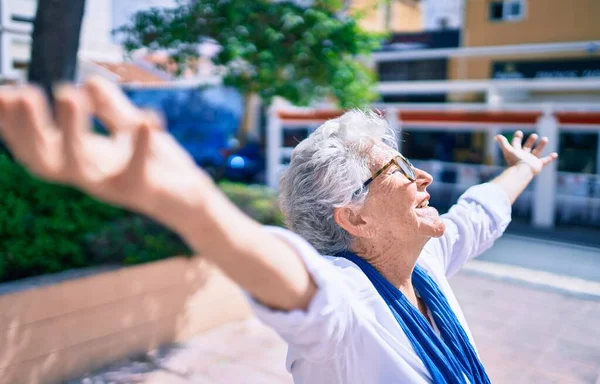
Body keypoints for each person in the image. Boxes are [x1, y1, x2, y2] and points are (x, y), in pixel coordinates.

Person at [0, 77, 557, 383]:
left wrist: (523, 169)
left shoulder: (424, 266)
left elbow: (477, 216)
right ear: (352, 215)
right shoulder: (347, 300)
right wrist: (192, 202)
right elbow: (296, 284)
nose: (424, 176)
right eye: (399, 169)